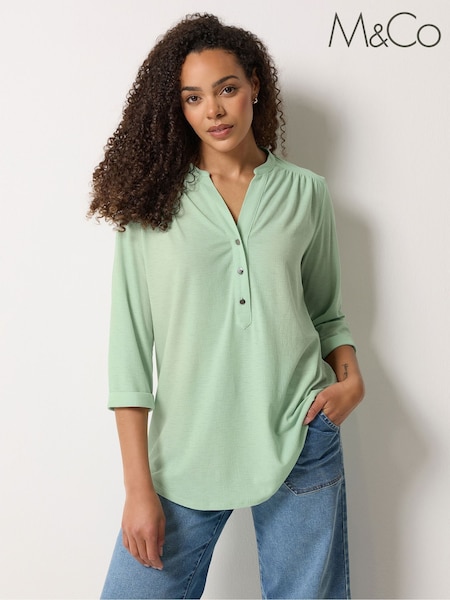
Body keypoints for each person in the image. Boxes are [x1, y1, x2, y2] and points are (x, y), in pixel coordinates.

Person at [89, 12, 364, 600]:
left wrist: (351, 380)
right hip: (187, 452)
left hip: (301, 434)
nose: (213, 110)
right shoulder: (151, 205)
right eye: (193, 97)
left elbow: (326, 314)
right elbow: (129, 354)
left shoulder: (307, 192)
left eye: (227, 88)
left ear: (255, 86)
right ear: (178, 108)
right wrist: (138, 489)